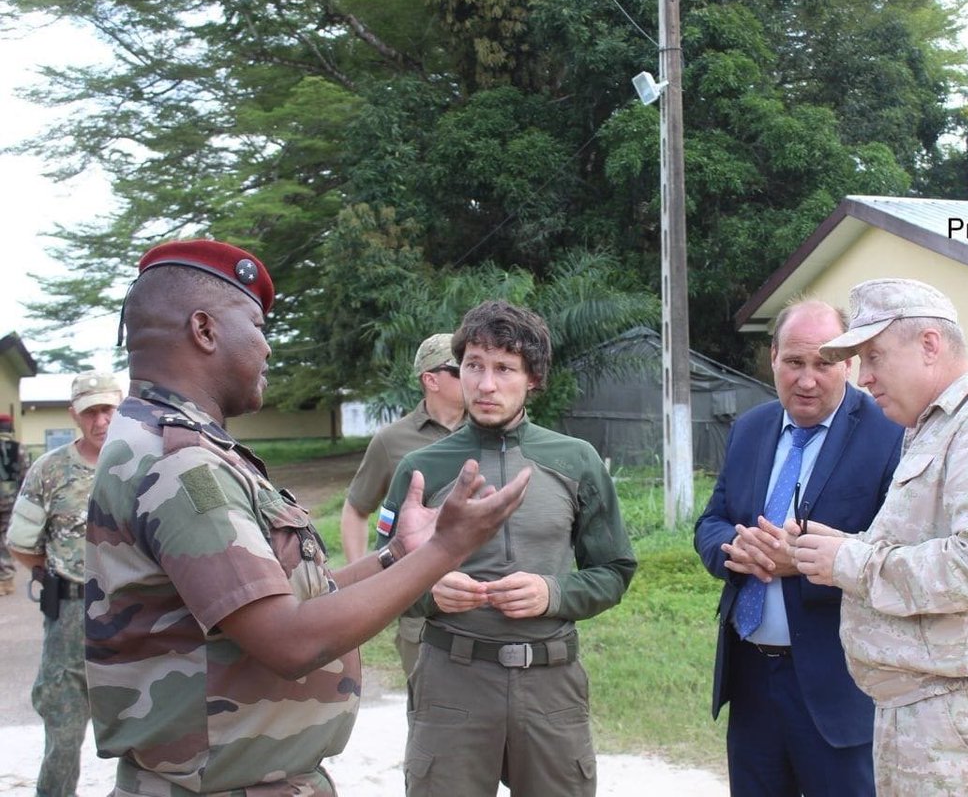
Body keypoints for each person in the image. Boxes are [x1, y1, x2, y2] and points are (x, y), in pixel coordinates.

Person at [85, 239, 532, 796]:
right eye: (257, 326)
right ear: (204, 330)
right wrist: (447, 550)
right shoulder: (181, 464)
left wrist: (397, 555)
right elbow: (289, 640)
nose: (267, 348)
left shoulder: (165, 441)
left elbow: (281, 601)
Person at [789, 278, 968, 796]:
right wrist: (844, 547)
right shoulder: (939, 425)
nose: (864, 378)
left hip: (966, 713)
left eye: (874, 357)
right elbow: (938, 543)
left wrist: (851, 562)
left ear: (930, 344)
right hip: (932, 710)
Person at [377, 299, 637, 797]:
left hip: (551, 684)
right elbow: (382, 579)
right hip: (451, 683)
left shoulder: (576, 461)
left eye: (504, 368)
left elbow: (614, 570)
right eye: (474, 366)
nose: (486, 384)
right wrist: (430, 590)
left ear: (532, 377)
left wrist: (553, 593)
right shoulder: (421, 468)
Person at [693, 300, 903, 797]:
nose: (807, 380)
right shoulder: (751, 428)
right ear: (773, 357)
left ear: (847, 364)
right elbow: (711, 522)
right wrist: (736, 548)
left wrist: (805, 560)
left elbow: (895, 553)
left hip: (838, 686)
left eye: (823, 363)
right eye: (794, 362)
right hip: (751, 679)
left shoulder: (888, 435)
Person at [7, 371, 122, 797]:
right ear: (74, 414)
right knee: (63, 722)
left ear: (121, 407)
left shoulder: (144, 462)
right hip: (72, 611)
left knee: (143, 716)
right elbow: (20, 544)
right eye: (90, 412)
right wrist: (55, 571)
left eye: (108, 409)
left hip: (135, 610)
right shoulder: (50, 470)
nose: (100, 421)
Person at [341, 333, 465, 675]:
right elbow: (356, 510)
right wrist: (363, 581)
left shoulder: (492, 432)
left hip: (485, 601)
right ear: (431, 380)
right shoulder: (392, 441)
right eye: (460, 370)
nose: (474, 377)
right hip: (421, 609)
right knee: (427, 702)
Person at [0, 412, 30, 596]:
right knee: (5, 538)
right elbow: (25, 476)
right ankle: (6, 580)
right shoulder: (19, 448)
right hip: (10, 499)